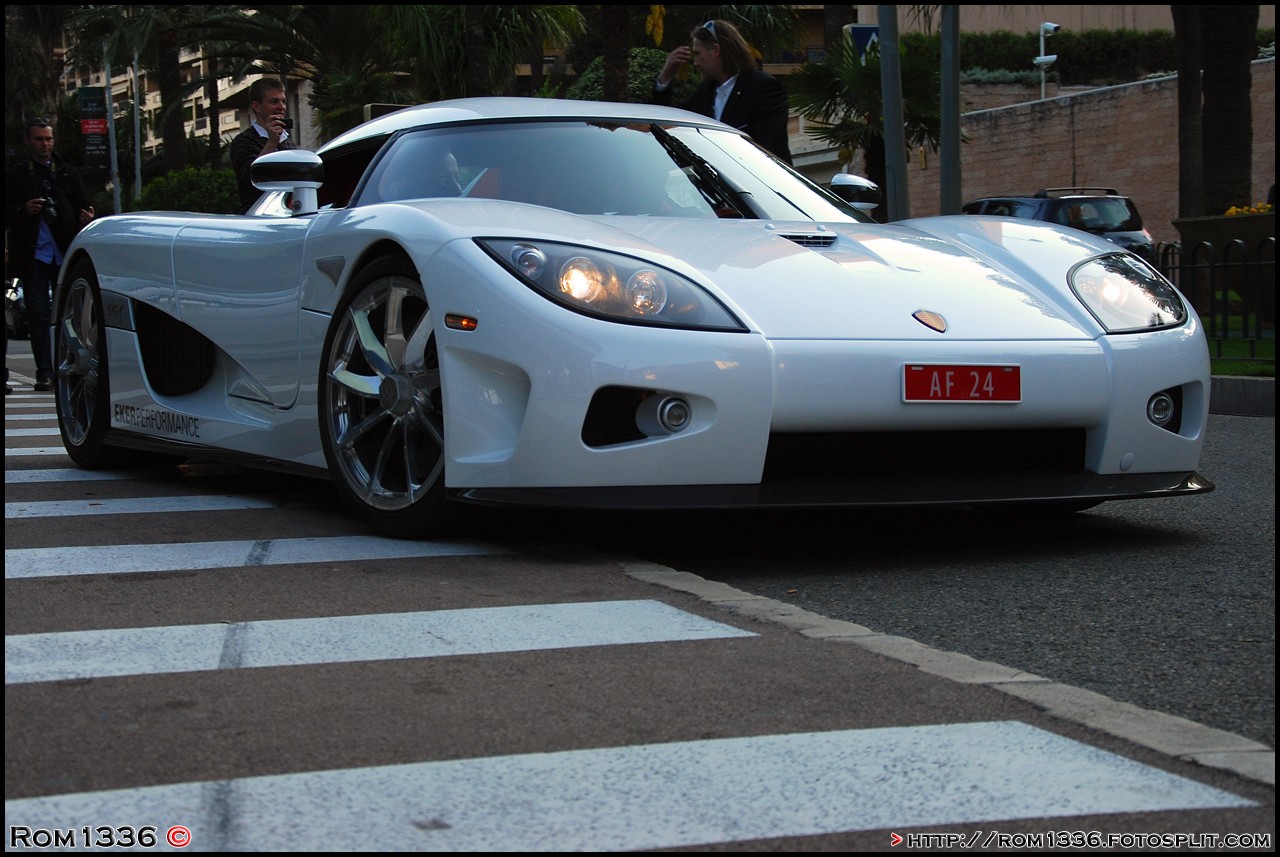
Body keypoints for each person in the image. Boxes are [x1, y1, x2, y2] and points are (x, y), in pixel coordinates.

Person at [5, 118, 95, 392]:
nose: (44, 144)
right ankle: (45, 373)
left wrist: (87, 215)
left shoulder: (67, 173)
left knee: (72, 316)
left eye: (48, 139)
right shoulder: (17, 175)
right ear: (27, 142)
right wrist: (24, 209)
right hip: (33, 256)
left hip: (64, 254)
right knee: (38, 315)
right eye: (38, 139)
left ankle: (70, 367)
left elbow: (84, 204)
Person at [651, 19, 793, 164]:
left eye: (698, 54)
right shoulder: (705, 92)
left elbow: (770, 147)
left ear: (716, 50)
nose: (696, 63)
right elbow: (664, 118)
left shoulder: (762, 87)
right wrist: (666, 76)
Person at [230, 78, 297, 213]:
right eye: (274, 102)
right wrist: (272, 143)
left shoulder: (287, 141)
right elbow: (251, 178)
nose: (281, 107)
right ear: (256, 106)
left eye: (283, 101)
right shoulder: (243, 141)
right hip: (259, 215)